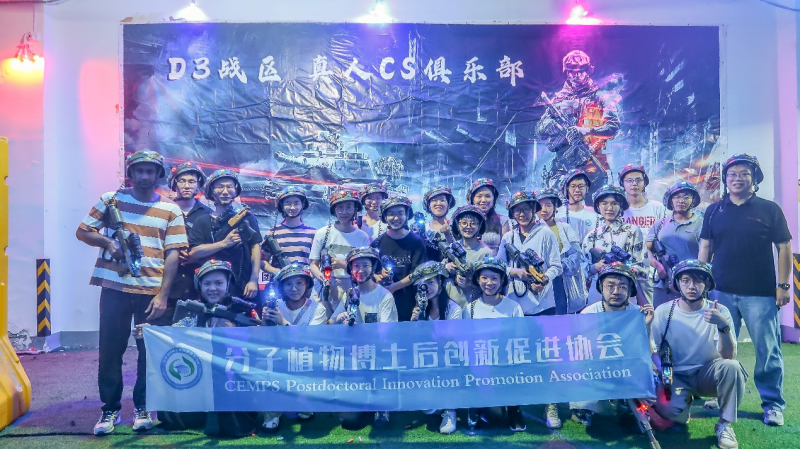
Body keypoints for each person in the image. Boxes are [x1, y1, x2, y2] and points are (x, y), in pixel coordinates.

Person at [76, 150, 187, 435]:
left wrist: (163, 296)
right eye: (140, 171)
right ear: (131, 173)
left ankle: (143, 407)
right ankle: (109, 409)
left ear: (158, 175)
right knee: (110, 349)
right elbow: (83, 231)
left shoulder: (171, 209)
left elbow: (173, 254)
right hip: (115, 288)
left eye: (150, 171)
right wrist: (108, 243)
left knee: (148, 352)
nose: (145, 176)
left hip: (151, 292)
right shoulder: (111, 200)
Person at [698, 153, 792, 426]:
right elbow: (706, 246)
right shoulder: (714, 210)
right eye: (732, 174)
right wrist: (701, 282)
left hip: (760, 294)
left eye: (744, 174)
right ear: (725, 179)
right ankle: (720, 394)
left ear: (754, 178)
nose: (737, 178)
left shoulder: (769, 209)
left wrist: (783, 285)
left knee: (767, 351)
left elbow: (784, 247)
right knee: (720, 348)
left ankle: (772, 404)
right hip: (721, 292)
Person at [153, 260, 260, 437]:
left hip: (232, 380)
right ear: (199, 286)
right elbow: (172, 334)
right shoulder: (193, 310)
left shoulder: (243, 311)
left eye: (218, 283)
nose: (212, 289)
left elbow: (258, 345)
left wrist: (235, 332)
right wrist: (149, 331)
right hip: (199, 378)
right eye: (207, 283)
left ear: (228, 284)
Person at [650, 260, 747, 449]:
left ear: (707, 284)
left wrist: (723, 326)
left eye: (697, 281)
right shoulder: (664, 311)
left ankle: (725, 424)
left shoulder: (720, 311)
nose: (691, 286)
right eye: (685, 281)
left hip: (707, 374)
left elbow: (728, 356)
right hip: (676, 376)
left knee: (732, 367)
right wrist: (662, 372)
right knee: (670, 412)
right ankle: (682, 405)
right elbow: (652, 350)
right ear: (677, 284)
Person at [569, 263, 654, 427]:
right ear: (601, 287)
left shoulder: (638, 314)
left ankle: (628, 407)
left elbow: (647, 354)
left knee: (651, 376)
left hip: (629, 370)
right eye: (610, 286)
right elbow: (582, 356)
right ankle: (586, 407)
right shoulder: (588, 314)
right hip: (596, 371)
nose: (616, 291)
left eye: (622, 286)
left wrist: (646, 327)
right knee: (583, 405)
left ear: (630, 290)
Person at [535, 50, 619, 194]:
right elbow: (539, 131)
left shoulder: (600, 96)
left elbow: (614, 125)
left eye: (581, 71)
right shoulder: (558, 99)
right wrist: (548, 125)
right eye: (572, 71)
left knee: (596, 202)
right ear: (566, 72)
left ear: (588, 70)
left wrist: (584, 131)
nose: (576, 75)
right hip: (563, 165)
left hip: (592, 160)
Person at [333, 247, 398, 429]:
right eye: (356, 266)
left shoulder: (384, 296)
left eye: (365, 266)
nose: (360, 270)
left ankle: (382, 405)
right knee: (348, 420)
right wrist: (339, 318)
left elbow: (386, 334)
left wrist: (361, 330)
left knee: (380, 422)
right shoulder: (349, 294)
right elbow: (330, 322)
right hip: (354, 357)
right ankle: (361, 401)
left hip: (379, 357)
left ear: (373, 268)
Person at [261, 262, 327, 432]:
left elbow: (311, 341)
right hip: (279, 357)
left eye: (299, 283)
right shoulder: (276, 306)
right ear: (282, 287)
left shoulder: (317, 309)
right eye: (288, 284)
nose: (294, 288)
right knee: (266, 365)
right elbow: (264, 339)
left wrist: (282, 322)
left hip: (307, 358)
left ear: (307, 285)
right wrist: (265, 322)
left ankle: (305, 404)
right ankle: (272, 414)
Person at [462, 257, 525, 432]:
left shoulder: (513, 307)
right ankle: (475, 408)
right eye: (484, 278)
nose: (489, 283)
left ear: (502, 280)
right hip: (480, 361)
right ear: (478, 279)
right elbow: (466, 340)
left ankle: (514, 410)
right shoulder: (470, 309)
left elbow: (520, 337)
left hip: (506, 361)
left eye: (494, 278)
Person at [187, 169, 262, 300]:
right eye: (220, 187)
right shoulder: (202, 221)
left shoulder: (246, 217)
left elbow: (255, 247)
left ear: (235, 189)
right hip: (211, 291)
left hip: (243, 287)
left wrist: (253, 280)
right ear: (211, 191)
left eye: (229, 186)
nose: (225, 191)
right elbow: (194, 253)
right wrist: (223, 244)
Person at [408, 261, 463, 434]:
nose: (427, 287)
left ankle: (449, 410)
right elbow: (413, 343)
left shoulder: (453, 309)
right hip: (426, 362)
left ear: (440, 282)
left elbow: (452, 341)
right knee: (427, 408)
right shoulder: (419, 309)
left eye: (431, 282)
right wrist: (414, 323)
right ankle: (436, 402)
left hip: (449, 361)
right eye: (422, 284)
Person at [496, 191, 562, 317]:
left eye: (526, 209)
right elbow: (499, 266)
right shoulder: (508, 237)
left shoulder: (546, 233)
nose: (522, 214)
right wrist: (515, 272)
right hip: (514, 304)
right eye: (517, 210)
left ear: (533, 210)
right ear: (512, 213)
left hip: (543, 305)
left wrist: (544, 279)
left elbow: (556, 266)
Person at [582, 185, 648, 306]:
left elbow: (642, 264)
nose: (609, 208)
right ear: (598, 206)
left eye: (614, 203)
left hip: (625, 288)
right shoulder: (591, 236)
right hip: (598, 292)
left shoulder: (633, 231)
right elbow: (583, 268)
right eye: (604, 203)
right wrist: (596, 266)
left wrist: (624, 269)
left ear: (621, 206)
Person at [370, 196, 428, 321]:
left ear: (407, 215)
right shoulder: (377, 243)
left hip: (409, 300)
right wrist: (376, 276)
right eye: (391, 214)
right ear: (385, 216)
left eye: (400, 213)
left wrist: (394, 286)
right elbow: (369, 268)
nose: (396, 218)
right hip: (382, 300)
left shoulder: (416, 241)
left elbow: (418, 272)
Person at [309, 189, 370, 307]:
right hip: (323, 287)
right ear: (334, 210)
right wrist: (323, 278)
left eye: (349, 207)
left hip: (350, 288)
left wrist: (343, 265)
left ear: (355, 209)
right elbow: (313, 264)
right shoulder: (322, 233)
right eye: (340, 208)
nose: (344, 212)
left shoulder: (362, 237)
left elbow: (365, 270)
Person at [647, 181, 703, 308]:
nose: (681, 200)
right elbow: (648, 249)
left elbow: (707, 253)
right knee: (661, 316)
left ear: (693, 200)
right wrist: (658, 266)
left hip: (691, 284)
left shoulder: (701, 224)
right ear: (671, 200)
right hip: (663, 283)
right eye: (677, 197)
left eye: (686, 197)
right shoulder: (660, 224)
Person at [535, 188, 588, 315]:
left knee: (561, 312)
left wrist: (559, 266)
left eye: (548, 205)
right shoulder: (532, 229)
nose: (544, 209)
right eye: (540, 206)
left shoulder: (565, 228)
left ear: (555, 207)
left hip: (560, 279)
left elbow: (575, 253)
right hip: (538, 278)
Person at [167, 162, 212, 309]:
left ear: (198, 185)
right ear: (174, 184)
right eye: (182, 181)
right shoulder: (164, 210)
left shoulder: (208, 214)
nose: (187, 186)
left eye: (192, 181)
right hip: (167, 286)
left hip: (198, 286)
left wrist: (197, 256)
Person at [443, 205, 493, 308]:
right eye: (464, 223)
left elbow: (490, 281)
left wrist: (470, 281)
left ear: (479, 226)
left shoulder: (485, 252)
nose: (468, 226)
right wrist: (446, 267)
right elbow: (440, 267)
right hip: (450, 304)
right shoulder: (453, 246)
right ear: (458, 225)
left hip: (472, 305)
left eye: (473, 223)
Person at [261, 186, 316, 275]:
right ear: (282, 205)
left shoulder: (313, 233)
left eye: (296, 203)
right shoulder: (272, 233)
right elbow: (262, 261)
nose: (292, 207)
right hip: (280, 282)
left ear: (302, 205)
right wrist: (277, 272)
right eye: (288, 203)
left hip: (304, 281)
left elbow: (316, 263)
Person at [619, 164, 667, 237]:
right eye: (629, 180)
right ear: (622, 184)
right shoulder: (618, 209)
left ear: (644, 183)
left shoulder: (658, 208)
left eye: (638, 180)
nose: (634, 184)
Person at [466, 178, 510, 254]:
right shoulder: (464, 221)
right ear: (473, 199)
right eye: (479, 196)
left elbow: (506, 250)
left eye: (488, 196)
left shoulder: (502, 221)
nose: (483, 200)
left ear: (494, 199)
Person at [556, 168, 600, 243]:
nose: (577, 190)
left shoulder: (595, 214)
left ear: (587, 188)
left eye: (581, 186)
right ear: (567, 188)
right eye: (573, 186)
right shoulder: (558, 214)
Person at [420, 185, 457, 261]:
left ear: (448, 204)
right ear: (429, 205)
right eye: (434, 200)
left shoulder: (456, 228)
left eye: (442, 200)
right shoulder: (422, 229)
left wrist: (448, 235)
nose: (438, 203)